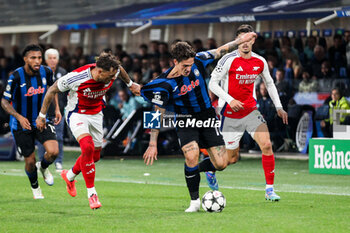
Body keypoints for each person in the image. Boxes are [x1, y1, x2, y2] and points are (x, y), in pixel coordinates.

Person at [141, 31, 256, 212]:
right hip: (185, 119)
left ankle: (193, 170)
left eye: (191, 64)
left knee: (221, 164)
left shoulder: (200, 60)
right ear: (175, 62)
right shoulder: (163, 83)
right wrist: (152, 143)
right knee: (192, 154)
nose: (189, 68)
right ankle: (194, 201)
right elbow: (157, 112)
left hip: (207, 116)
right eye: (185, 65)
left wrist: (239, 40)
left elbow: (221, 50)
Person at [36, 52, 141, 209]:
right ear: (99, 71)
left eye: (113, 75)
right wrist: (42, 115)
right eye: (109, 76)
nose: (112, 78)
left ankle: (69, 175)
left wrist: (130, 84)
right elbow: (51, 90)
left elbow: (120, 70)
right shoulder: (75, 77)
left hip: (96, 114)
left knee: (95, 156)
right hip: (77, 114)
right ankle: (92, 194)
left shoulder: (113, 71)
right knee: (87, 147)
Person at [209, 24, 288, 201]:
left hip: (251, 111)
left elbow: (269, 83)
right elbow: (212, 83)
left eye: (248, 39)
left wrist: (279, 106)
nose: (245, 43)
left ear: (253, 40)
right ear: (237, 41)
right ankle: (210, 170)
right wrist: (230, 100)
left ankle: (269, 190)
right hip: (230, 113)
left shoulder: (260, 61)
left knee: (267, 145)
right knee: (230, 160)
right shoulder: (228, 60)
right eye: (241, 39)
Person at [1, 44, 60, 199]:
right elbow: (4, 101)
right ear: (25, 59)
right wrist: (19, 117)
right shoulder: (16, 76)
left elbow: (52, 89)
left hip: (41, 119)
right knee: (30, 161)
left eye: (39, 57)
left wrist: (57, 109)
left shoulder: (46, 72)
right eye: (33, 58)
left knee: (53, 152)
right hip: (21, 125)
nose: (37, 61)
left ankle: (44, 167)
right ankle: (35, 188)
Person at [37, 48, 67, 172]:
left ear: (58, 60)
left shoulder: (63, 72)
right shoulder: (39, 72)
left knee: (59, 137)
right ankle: (41, 161)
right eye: (50, 58)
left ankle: (58, 162)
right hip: (43, 110)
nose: (53, 60)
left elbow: (67, 91)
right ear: (45, 60)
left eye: (55, 58)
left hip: (58, 111)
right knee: (41, 137)